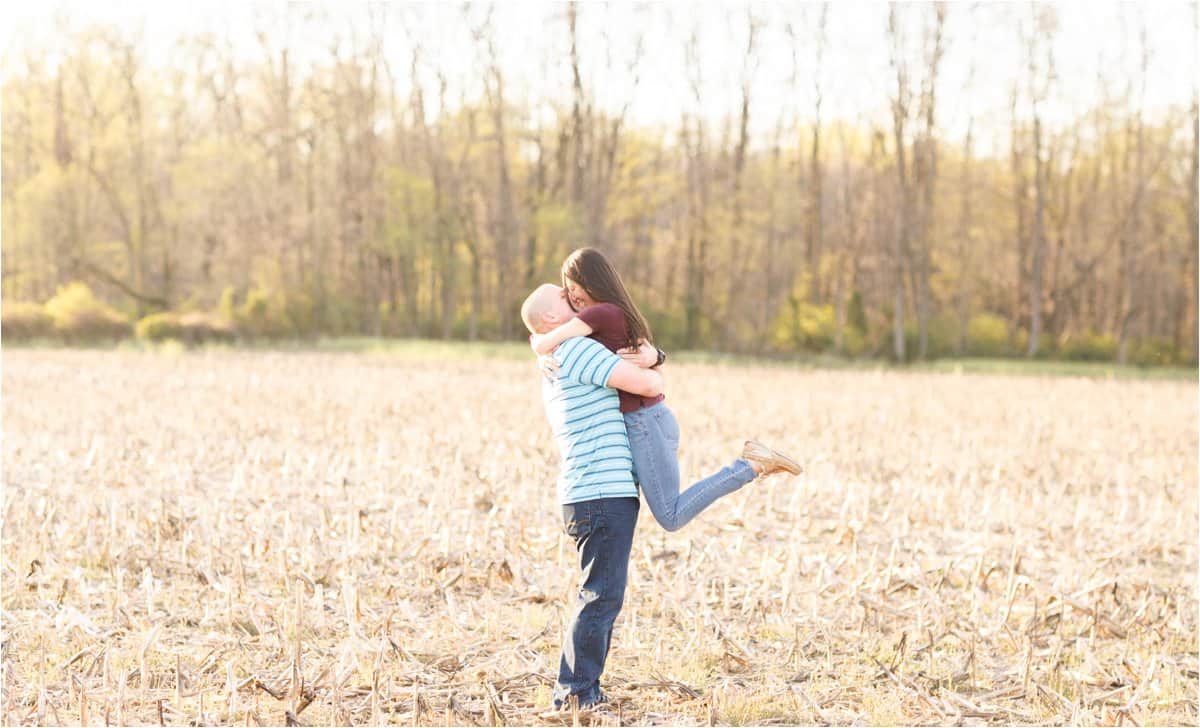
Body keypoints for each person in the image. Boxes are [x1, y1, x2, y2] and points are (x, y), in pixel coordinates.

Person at [531, 247, 801, 533]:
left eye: (573, 287)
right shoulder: (613, 314)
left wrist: (538, 347)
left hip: (644, 422)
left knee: (670, 515)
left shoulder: (601, 313)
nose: (572, 295)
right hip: (651, 420)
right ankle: (750, 465)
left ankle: (750, 465)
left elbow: (552, 336)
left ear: (591, 281)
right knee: (652, 505)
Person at [520, 282, 662, 711]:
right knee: (600, 595)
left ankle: (583, 688)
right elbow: (647, 385)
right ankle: (576, 693)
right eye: (566, 300)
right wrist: (656, 361)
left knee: (600, 594)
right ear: (551, 320)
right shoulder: (579, 352)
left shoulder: (560, 353)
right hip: (601, 490)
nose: (577, 302)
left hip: (592, 490)